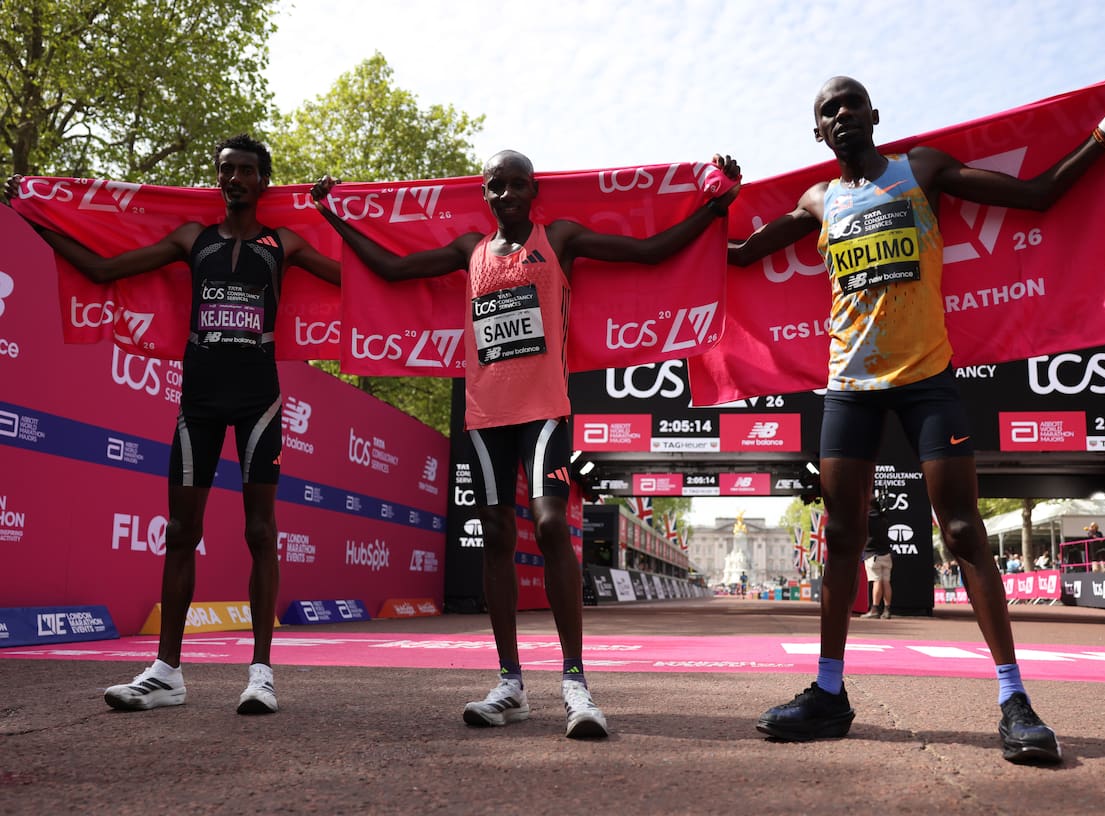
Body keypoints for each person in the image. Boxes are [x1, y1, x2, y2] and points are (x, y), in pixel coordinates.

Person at [726, 59, 1105, 764]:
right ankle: (828, 692)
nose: (841, 115)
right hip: (849, 385)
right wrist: (702, 200)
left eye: (853, 105)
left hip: (928, 378)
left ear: (875, 117)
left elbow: (1041, 194)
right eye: (828, 110)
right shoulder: (815, 202)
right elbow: (742, 255)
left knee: (962, 530)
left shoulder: (920, 170)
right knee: (840, 537)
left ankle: (1014, 700)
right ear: (817, 131)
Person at [312, 149, 739, 738]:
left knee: (547, 524)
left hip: (544, 411)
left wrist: (714, 208)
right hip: (487, 415)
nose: (507, 193)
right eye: (496, 185)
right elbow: (390, 270)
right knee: (495, 534)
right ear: (484, 194)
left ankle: (574, 681)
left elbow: (649, 252)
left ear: (533, 191)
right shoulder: (471, 251)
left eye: (518, 185)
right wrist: (336, 217)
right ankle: (510, 682)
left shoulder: (557, 238)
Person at [4, 135, 341, 715]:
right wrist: (32, 215)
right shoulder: (193, 238)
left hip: (258, 400)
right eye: (225, 171)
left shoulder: (284, 243)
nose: (232, 179)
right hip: (200, 402)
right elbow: (101, 268)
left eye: (244, 171)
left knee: (260, 532)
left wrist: (336, 213)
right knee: (181, 533)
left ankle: (261, 675)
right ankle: (166, 673)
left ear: (263, 181)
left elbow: (355, 281)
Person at [860, 496, 892, 619]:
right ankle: (887, 609)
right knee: (886, 582)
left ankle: (874, 609)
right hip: (886, 554)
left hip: (872, 554)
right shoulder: (884, 517)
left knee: (877, 581)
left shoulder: (865, 518)